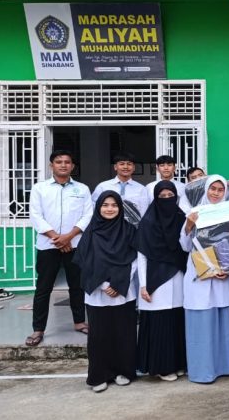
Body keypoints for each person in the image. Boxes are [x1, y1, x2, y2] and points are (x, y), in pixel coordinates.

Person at [26, 150, 93, 347]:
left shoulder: (82, 189)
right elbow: (35, 215)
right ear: (51, 166)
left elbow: (87, 215)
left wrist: (69, 237)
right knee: (43, 288)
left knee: (77, 286)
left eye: (67, 162)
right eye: (58, 162)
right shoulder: (40, 188)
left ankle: (79, 322)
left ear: (72, 166)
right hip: (48, 245)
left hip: (75, 245)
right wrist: (58, 238)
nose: (63, 165)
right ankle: (38, 329)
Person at [76, 191, 138, 393]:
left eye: (114, 205)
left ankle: (124, 372)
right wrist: (104, 285)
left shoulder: (128, 230)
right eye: (105, 205)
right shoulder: (91, 231)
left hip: (124, 291)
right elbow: (85, 261)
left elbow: (135, 258)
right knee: (99, 335)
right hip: (98, 292)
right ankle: (99, 375)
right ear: (98, 207)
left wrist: (119, 283)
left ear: (120, 208)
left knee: (124, 333)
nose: (110, 209)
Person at [181, 175, 229, 383]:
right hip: (200, 275)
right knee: (202, 322)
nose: (216, 193)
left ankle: (224, 367)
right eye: (212, 188)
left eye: (220, 190)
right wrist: (188, 226)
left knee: (222, 321)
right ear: (206, 190)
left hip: (223, 276)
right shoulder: (194, 213)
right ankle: (202, 371)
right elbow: (185, 246)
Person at [136, 181, 188, 382]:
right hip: (155, 279)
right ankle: (161, 367)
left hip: (179, 276)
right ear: (155, 199)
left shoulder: (181, 218)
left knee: (177, 321)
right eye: (162, 196)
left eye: (170, 196)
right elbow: (142, 255)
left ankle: (177, 363)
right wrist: (143, 284)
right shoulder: (148, 222)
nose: (167, 200)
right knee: (160, 324)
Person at [92, 152, 150, 217]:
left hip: (133, 223)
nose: (125, 167)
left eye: (129, 164)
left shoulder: (141, 188)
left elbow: (144, 211)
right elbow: (94, 207)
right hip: (108, 222)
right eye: (122, 164)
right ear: (115, 167)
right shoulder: (103, 186)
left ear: (134, 168)